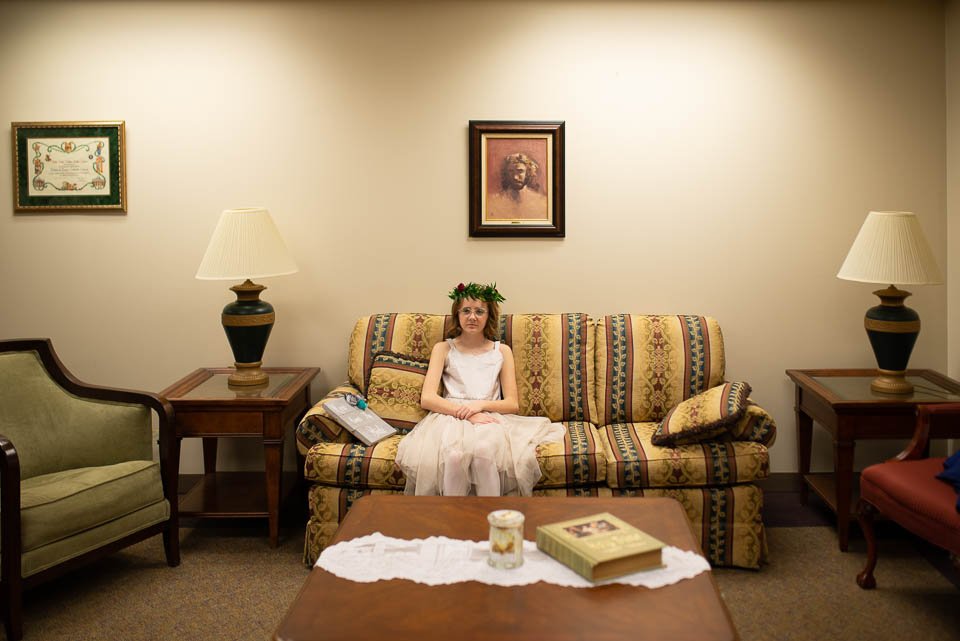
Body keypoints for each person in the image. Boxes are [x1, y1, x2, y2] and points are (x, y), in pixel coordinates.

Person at [395, 282, 565, 496]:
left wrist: (479, 406)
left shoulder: (501, 351)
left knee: (484, 453)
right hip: (450, 418)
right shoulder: (444, 348)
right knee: (454, 456)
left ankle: (491, 520)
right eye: (466, 311)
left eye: (479, 311)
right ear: (457, 314)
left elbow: (512, 403)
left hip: (489, 417)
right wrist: (466, 413)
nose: (472, 317)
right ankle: (453, 523)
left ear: (489, 316)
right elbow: (428, 398)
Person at [486, 152, 549, 220]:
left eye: (520, 171)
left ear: (528, 172)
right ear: (506, 173)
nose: (515, 177)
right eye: (511, 171)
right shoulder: (493, 202)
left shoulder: (542, 202)